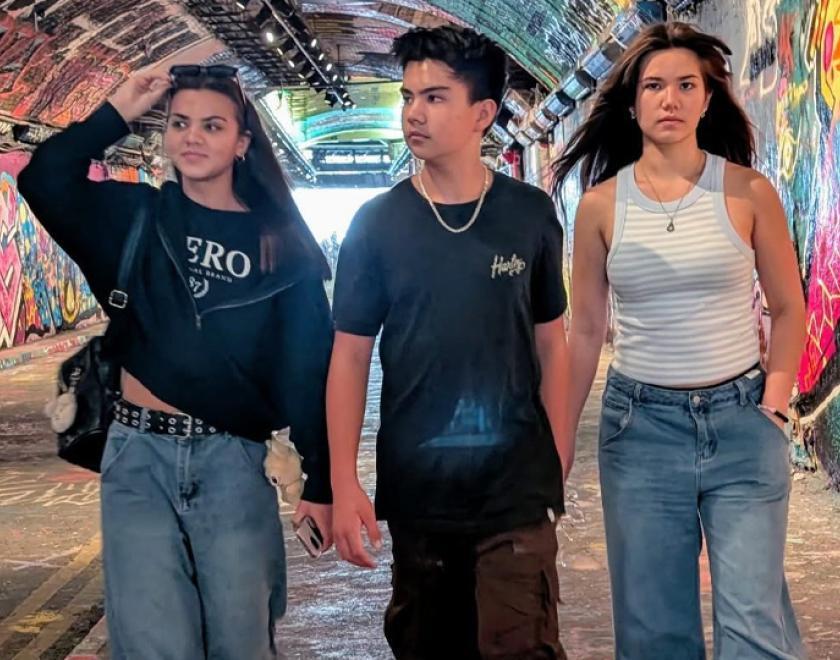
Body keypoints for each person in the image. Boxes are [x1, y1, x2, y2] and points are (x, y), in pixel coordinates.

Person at [18, 64, 333, 659]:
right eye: (180, 123)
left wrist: (320, 479)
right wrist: (115, 111)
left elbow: (306, 367)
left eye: (213, 126)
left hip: (234, 462)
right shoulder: (136, 215)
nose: (192, 137)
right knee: (150, 645)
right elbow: (44, 178)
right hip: (137, 458)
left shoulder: (281, 246)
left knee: (240, 644)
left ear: (242, 143)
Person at [551, 21, 806, 659]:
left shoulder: (748, 192)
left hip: (744, 423)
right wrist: (558, 441)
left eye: (685, 85)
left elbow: (788, 308)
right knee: (655, 634)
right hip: (640, 432)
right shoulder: (602, 207)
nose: (670, 99)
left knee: (753, 628)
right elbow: (584, 330)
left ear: (706, 98)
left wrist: (773, 403)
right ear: (633, 103)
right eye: (655, 86)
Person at [328, 25, 571, 659]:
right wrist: (344, 481)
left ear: (483, 115)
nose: (413, 113)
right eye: (407, 96)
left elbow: (552, 343)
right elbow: (349, 358)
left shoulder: (529, 213)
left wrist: (559, 457)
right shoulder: (377, 224)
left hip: (515, 492)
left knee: (520, 648)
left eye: (435, 97)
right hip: (418, 496)